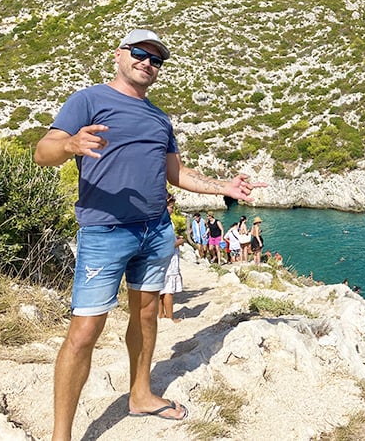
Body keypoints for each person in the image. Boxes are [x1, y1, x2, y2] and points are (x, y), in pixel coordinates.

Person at [33, 28, 265, 440]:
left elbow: (175, 173)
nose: (148, 63)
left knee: (145, 316)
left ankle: (140, 394)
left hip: (155, 230)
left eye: (156, 59)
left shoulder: (160, 117)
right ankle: (61, 435)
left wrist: (223, 187)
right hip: (105, 231)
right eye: (140, 53)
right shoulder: (88, 100)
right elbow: (42, 152)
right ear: (119, 55)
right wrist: (69, 144)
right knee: (85, 331)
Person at [159, 194, 184, 323]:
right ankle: (170, 317)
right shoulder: (165, 222)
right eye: (171, 207)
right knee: (168, 290)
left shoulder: (157, 221)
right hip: (169, 259)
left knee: (160, 288)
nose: (173, 210)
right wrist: (180, 241)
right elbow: (167, 244)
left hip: (160, 259)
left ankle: (161, 314)